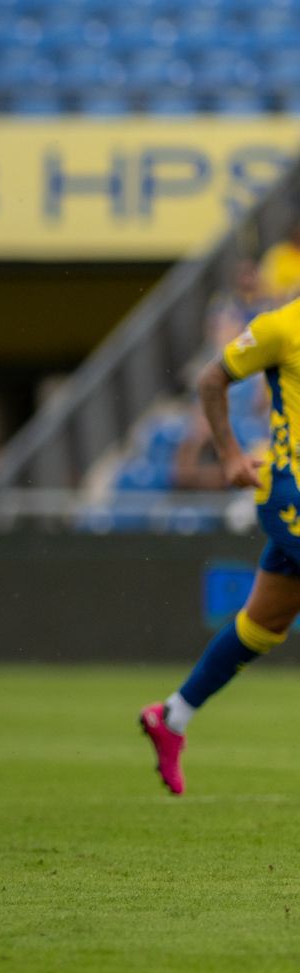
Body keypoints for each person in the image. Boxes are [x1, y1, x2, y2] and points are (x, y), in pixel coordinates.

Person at [140, 298, 300, 795]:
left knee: (265, 622)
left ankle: (172, 715)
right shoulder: (282, 327)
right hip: (292, 493)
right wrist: (230, 454)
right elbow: (212, 379)